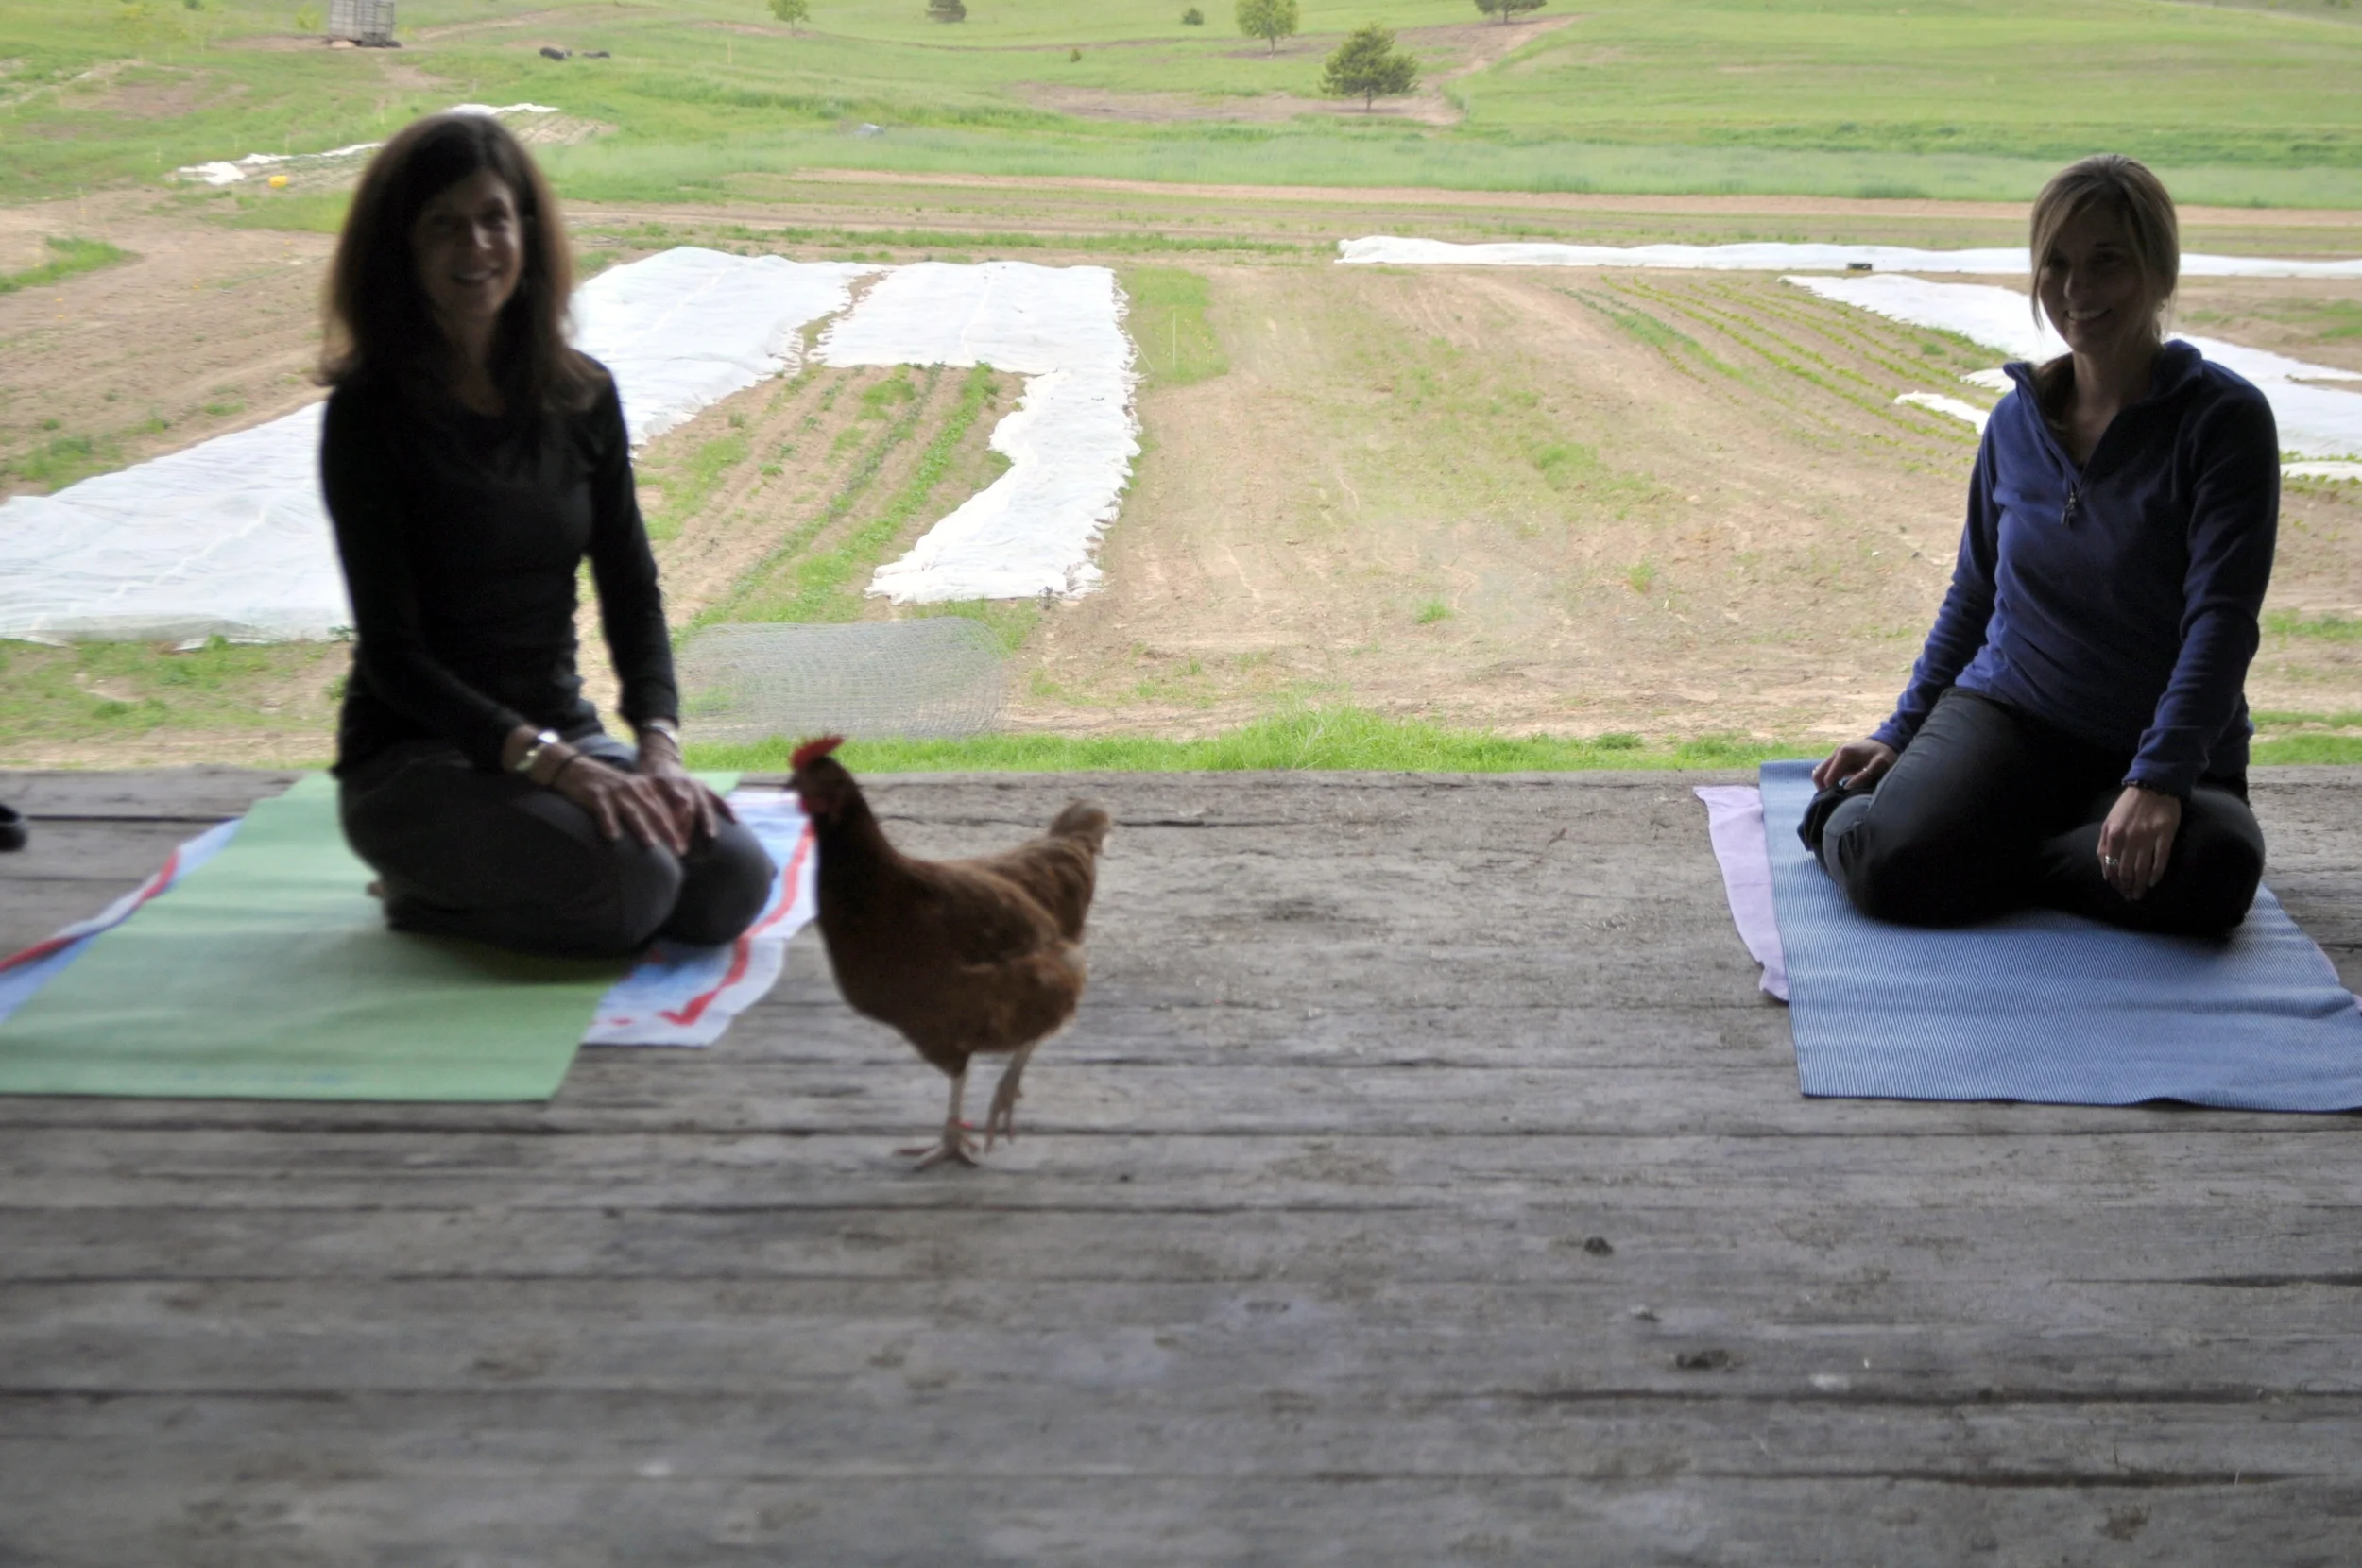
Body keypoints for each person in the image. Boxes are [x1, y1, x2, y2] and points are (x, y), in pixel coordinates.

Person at [317, 111, 774, 958]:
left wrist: (660, 751)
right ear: (402, 249)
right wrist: (556, 766)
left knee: (731, 881)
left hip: (561, 733)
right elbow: (394, 655)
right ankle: (422, 892)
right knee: (633, 887)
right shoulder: (369, 416)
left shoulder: (582, 397)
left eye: (495, 218)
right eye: (443, 225)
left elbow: (631, 587)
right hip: (419, 765)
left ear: (527, 231)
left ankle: (519, 870)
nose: (476, 247)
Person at [1807, 154, 2277, 936]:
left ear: (2159, 273)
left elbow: (2222, 622)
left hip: (2163, 745)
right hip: (2012, 717)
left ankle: (1995, 850)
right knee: (1890, 867)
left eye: (2107, 262)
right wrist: (1902, 730)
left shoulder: (2223, 422)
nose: (2075, 290)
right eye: (2055, 263)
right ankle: (1976, 839)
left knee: (2216, 875)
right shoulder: (2014, 424)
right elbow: (1975, 593)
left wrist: (2161, 778)